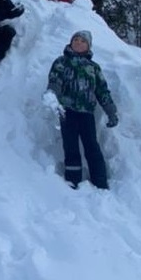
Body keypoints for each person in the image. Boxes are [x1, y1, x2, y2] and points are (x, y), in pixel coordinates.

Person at [43, 30, 119, 190]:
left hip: (86, 113)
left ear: (88, 46)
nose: (78, 42)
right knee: (70, 146)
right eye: (75, 39)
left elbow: (102, 91)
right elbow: (55, 80)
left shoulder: (94, 68)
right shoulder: (62, 62)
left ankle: (100, 181)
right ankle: (73, 180)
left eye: (82, 41)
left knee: (92, 146)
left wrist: (110, 110)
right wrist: (52, 94)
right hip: (67, 111)